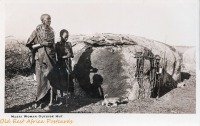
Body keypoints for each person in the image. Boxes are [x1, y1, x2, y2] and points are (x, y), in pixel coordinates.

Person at [26, 14, 58, 108]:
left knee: (50, 79)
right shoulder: (37, 31)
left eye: (50, 19)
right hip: (40, 59)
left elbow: (53, 45)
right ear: (43, 20)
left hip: (51, 58)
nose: (50, 20)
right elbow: (30, 45)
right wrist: (41, 44)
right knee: (41, 80)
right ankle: (40, 100)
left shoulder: (52, 31)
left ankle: (50, 101)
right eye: (48, 19)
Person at [55, 29, 74, 104]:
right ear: (61, 36)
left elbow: (72, 55)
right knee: (62, 80)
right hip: (61, 64)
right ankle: (62, 97)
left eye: (67, 37)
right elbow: (59, 57)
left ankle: (72, 97)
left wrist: (70, 55)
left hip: (68, 64)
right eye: (65, 37)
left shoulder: (69, 44)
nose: (67, 38)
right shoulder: (57, 45)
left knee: (70, 79)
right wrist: (66, 56)